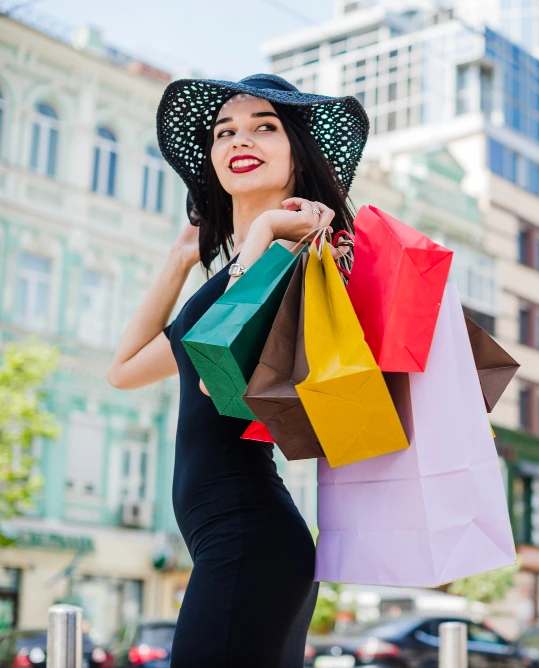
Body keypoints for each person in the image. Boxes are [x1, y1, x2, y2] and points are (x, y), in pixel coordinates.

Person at [106, 74, 368, 666]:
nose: (238, 139)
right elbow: (122, 371)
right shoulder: (234, 277)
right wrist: (178, 262)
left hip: (249, 537)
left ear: (298, 156)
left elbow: (214, 376)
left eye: (264, 127)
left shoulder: (298, 258)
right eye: (224, 131)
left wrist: (269, 231)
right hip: (239, 541)